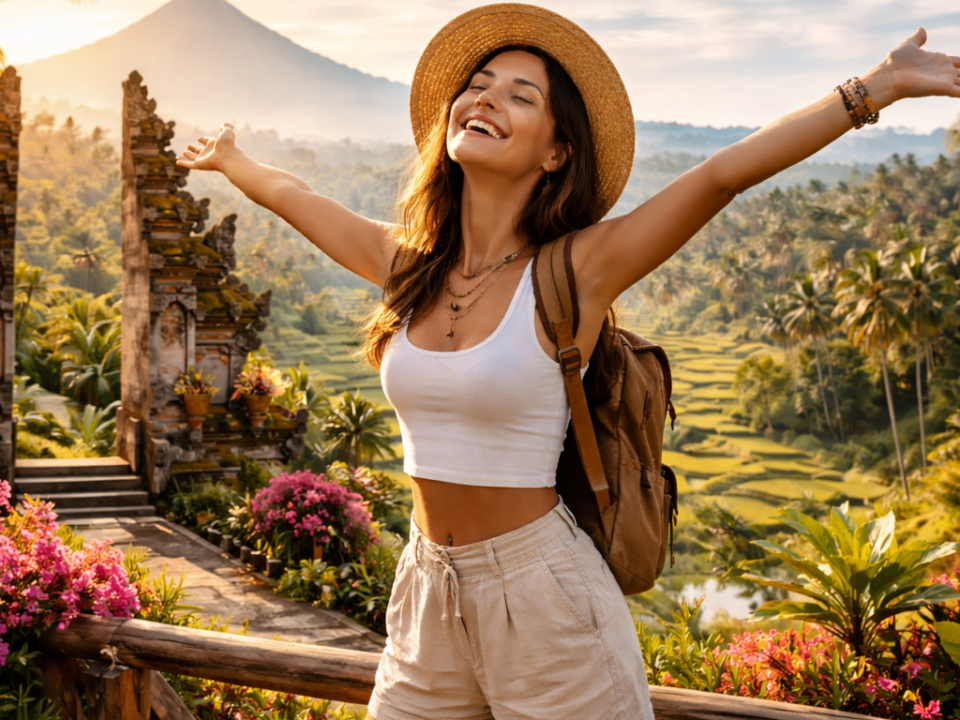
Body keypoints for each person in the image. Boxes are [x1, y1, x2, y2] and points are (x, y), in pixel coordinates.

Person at [177, 5, 959, 718]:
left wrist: (878, 86)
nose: (485, 99)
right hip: (424, 592)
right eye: (478, 85)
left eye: (520, 94)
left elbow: (722, 175)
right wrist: (234, 160)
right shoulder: (409, 266)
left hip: (545, 596)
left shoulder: (576, 271)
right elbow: (295, 194)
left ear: (556, 152)